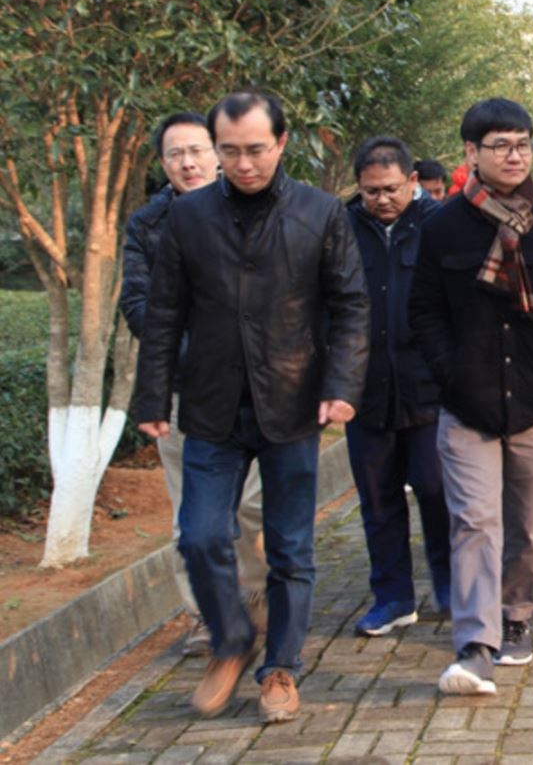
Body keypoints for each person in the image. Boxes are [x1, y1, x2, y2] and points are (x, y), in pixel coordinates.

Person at [131, 90, 369, 723]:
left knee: (291, 549)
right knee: (200, 536)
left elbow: (350, 304)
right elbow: (163, 312)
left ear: (281, 143)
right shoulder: (188, 218)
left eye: (256, 150)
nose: (243, 164)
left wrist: (342, 386)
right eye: (230, 151)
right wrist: (153, 395)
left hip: (291, 403)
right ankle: (232, 638)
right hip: (210, 405)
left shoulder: (320, 212)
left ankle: (281, 668)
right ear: (216, 149)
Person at [410, 98, 533, 696]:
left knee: (528, 525)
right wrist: (450, 374)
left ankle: (516, 614)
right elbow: (424, 311)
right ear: (471, 152)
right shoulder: (441, 227)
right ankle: (476, 644)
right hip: (466, 404)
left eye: (523, 144)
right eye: (501, 146)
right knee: (474, 520)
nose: (515, 156)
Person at [120, 112, 268, 657]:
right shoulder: (148, 225)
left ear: (219, 153)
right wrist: (201, 353)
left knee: (252, 506)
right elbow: (138, 305)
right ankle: (208, 613)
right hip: (188, 390)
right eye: (175, 154)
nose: (188, 163)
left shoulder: (257, 208)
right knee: (192, 516)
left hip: (262, 389)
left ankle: (255, 593)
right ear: (163, 163)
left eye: (197, 150)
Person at [345, 137, 452, 635]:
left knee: (435, 487)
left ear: (412, 181)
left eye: (391, 189)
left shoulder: (440, 226)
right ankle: (392, 596)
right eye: (371, 192)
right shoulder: (343, 230)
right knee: (378, 497)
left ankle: (450, 583)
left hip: (428, 387)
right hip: (365, 390)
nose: (382, 199)